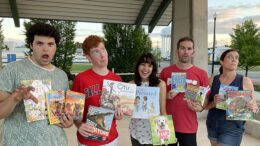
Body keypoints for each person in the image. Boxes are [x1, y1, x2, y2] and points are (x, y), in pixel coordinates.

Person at [0, 22, 74, 146]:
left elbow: (65, 113)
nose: (46, 49)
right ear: (31, 45)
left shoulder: (62, 75)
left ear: (55, 46)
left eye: (50, 44)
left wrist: (69, 122)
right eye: (40, 43)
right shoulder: (12, 70)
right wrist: (15, 98)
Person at [71, 35, 123, 146]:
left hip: (111, 139)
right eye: (96, 52)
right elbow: (73, 113)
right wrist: (79, 125)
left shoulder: (117, 79)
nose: (102, 55)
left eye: (103, 49)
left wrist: (119, 114)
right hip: (88, 140)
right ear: (89, 58)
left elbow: (117, 109)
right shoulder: (80, 78)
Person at [159, 37, 209, 146]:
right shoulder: (165, 71)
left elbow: (206, 98)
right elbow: (156, 94)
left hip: (188, 126)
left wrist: (201, 108)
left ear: (193, 52)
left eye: (189, 49)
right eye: (182, 48)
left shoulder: (201, 74)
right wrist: (166, 96)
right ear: (177, 51)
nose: (186, 52)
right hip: (165, 123)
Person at [204, 49, 259, 146]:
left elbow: (254, 107)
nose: (234, 60)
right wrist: (214, 103)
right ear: (221, 61)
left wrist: (254, 108)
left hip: (233, 128)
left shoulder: (245, 81)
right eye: (230, 57)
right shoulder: (213, 80)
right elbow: (205, 106)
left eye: (236, 58)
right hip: (213, 124)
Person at [129, 53, 167, 146]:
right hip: (136, 132)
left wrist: (166, 135)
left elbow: (163, 111)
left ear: (153, 68)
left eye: (149, 65)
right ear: (138, 66)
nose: (145, 68)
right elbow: (126, 111)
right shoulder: (131, 85)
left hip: (154, 133)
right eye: (143, 64)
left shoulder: (160, 84)